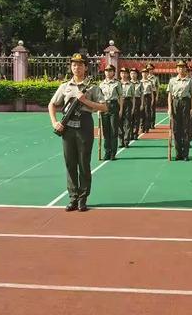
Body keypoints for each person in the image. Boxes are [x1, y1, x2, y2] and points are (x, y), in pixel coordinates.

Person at [48, 53, 107, 212]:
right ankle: (73, 197)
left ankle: (83, 199)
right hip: (68, 127)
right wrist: (55, 122)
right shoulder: (65, 86)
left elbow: (104, 107)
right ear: (71, 67)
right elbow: (52, 105)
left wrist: (85, 100)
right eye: (74, 65)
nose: (77, 67)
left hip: (84, 126)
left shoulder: (93, 87)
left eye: (80, 65)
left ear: (85, 67)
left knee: (83, 163)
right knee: (70, 163)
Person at [167, 61, 192, 160]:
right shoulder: (172, 80)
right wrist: (170, 108)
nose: (181, 69)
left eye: (183, 67)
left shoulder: (190, 81)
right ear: (176, 69)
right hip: (175, 103)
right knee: (176, 129)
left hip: (186, 103)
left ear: (185, 69)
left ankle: (185, 154)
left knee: (185, 129)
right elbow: (170, 95)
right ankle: (178, 153)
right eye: (179, 67)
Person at [99, 64, 123, 160]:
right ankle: (107, 152)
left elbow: (121, 96)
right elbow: (99, 97)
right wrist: (99, 109)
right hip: (104, 106)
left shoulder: (117, 83)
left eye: (110, 71)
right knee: (106, 131)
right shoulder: (101, 84)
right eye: (106, 70)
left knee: (113, 131)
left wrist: (121, 109)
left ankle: (113, 153)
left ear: (113, 72)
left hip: (113, 106)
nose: (108, 72)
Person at [119, 67, 134, 148]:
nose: (123, 75)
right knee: (119, 122)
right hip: (119, 102)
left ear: (128, 74)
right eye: (122, 73)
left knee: (127, 122)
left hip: (128, 102)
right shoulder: (117, 83)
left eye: (125, 73)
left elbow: (133, 97)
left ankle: (126, 141)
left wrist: (133, 107)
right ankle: (121, 140)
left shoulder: (131, 84)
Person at [130, 68, 143, 140]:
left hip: (137, 101)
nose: (133, 75)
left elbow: (142, 94)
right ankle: (130, 133)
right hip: (130, 101)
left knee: (136, 118)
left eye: (134, 73)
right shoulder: (128, 83)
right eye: (131, 73)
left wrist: (142, 104)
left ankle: (135, 133)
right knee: (129, 118)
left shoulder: (140, 83)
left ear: (137, 74)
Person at [140, 67, 154, 133]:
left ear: (147, 74)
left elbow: (152, 92)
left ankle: (147, 127)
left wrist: (152, 100)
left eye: (146, 73)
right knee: (141, 112)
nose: (144, 74)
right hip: (140, 98)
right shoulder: (139, 82)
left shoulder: (150, 82)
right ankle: (142, 126)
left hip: (147, 97)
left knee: (147, 113)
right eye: (143, 73)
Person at [146, 63, 159, 129]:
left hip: (153, 93)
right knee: (146, 109)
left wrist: (156, 96)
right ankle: (147, 124)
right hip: (146, 94)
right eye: (148, 69)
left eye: (151, 69)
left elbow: (157, 87)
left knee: (152, 109)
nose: (149, 70)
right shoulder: (144, 77)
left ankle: (152, 124)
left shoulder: (155, 78)